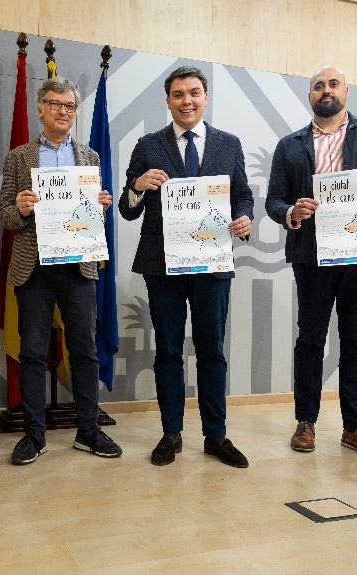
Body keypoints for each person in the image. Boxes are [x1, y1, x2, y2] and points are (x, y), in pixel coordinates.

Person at [265, 66, 357, 461]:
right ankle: (305, 422)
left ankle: (355, 428)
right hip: (311, 255)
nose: (325, 91)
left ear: (345, 90)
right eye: (318, 86)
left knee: (356, 340)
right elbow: (273, 200)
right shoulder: (289, 145)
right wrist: (292, 211)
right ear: (309, 96)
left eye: (332, 84)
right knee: (310, 340)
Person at [120, 66, 255, 468]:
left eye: (193, 93)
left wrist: (245, 220)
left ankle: (216, 435)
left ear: (205, 96)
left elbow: (243, 196)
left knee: (212, 351)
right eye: (178, 95)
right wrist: (137, 186)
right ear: (168, 101)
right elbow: (129, 210)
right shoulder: (147, 145)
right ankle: (171, 433)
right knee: (169, 351)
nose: (187, 101)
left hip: (212, 264)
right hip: (162, 265)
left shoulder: (228, 145)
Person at [0, 76, 122, 465]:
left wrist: (100, 206)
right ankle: (34, 435)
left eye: (69, 106)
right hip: (33, 268)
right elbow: (3, 216)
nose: (63, 112)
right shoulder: (18, 157)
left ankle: (88, 430)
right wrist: (19, 207)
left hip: (78, 266)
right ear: (40, 108)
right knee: (33, 352)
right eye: (55, 104)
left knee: (84, 350)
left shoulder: (90, 158)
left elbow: (91, 221)